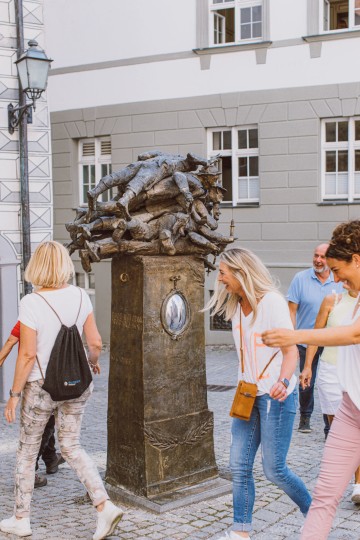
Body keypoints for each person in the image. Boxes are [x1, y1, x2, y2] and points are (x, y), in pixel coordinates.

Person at [0, 241, 123, 540]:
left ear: (38, 266)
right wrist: (93, 363)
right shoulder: (81, 295)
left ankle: (21, 518)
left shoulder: (32, 302)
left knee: (27, 452)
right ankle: (104, 505)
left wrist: (14, 395)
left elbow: (28, 355)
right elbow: (95, 343)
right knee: (72, 446)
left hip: (41, 388)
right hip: (77, 386)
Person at [262, 219, 360, 540]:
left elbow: (353, 334)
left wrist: (293, 335)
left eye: (337, 269)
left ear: (356, 260)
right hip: (351, 408)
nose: (334, 277)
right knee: (324, 495)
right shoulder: (352, 296)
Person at [206, 248, 311, 540]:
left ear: (241, 272)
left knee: (274, 470)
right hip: (247, 395)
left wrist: (283, 379)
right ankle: (241, 531)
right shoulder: (238, 306)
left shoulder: (273, 303)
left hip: (275, 397)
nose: (221, 278)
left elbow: (291, 352)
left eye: (224, 272)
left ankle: (314, 515)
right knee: (238, 465)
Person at [300, 287, 360, 503]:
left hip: (357, 370)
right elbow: (316, 336)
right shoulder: (331, 301)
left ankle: (358, 485)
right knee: (338, 430)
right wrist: (307, 367)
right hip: (331, 371)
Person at [0, 321, 65, 489]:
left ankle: (51, 459)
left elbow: (10, 342)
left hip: (34, 377)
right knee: (44, 422)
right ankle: (30, 471)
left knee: (47, 418)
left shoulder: (30, 315)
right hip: (47, 376)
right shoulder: (49, 315)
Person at [287, 243, 343, 434]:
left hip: (331, 341)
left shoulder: (339, 280)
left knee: (329, 380)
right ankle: (305, 416)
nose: (318, 260)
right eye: (316, 256)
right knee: (306, 378)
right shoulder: (300, 279)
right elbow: (291, 311)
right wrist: (292, 339)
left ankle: (329, 423)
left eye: (323, 257)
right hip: (306, 339)